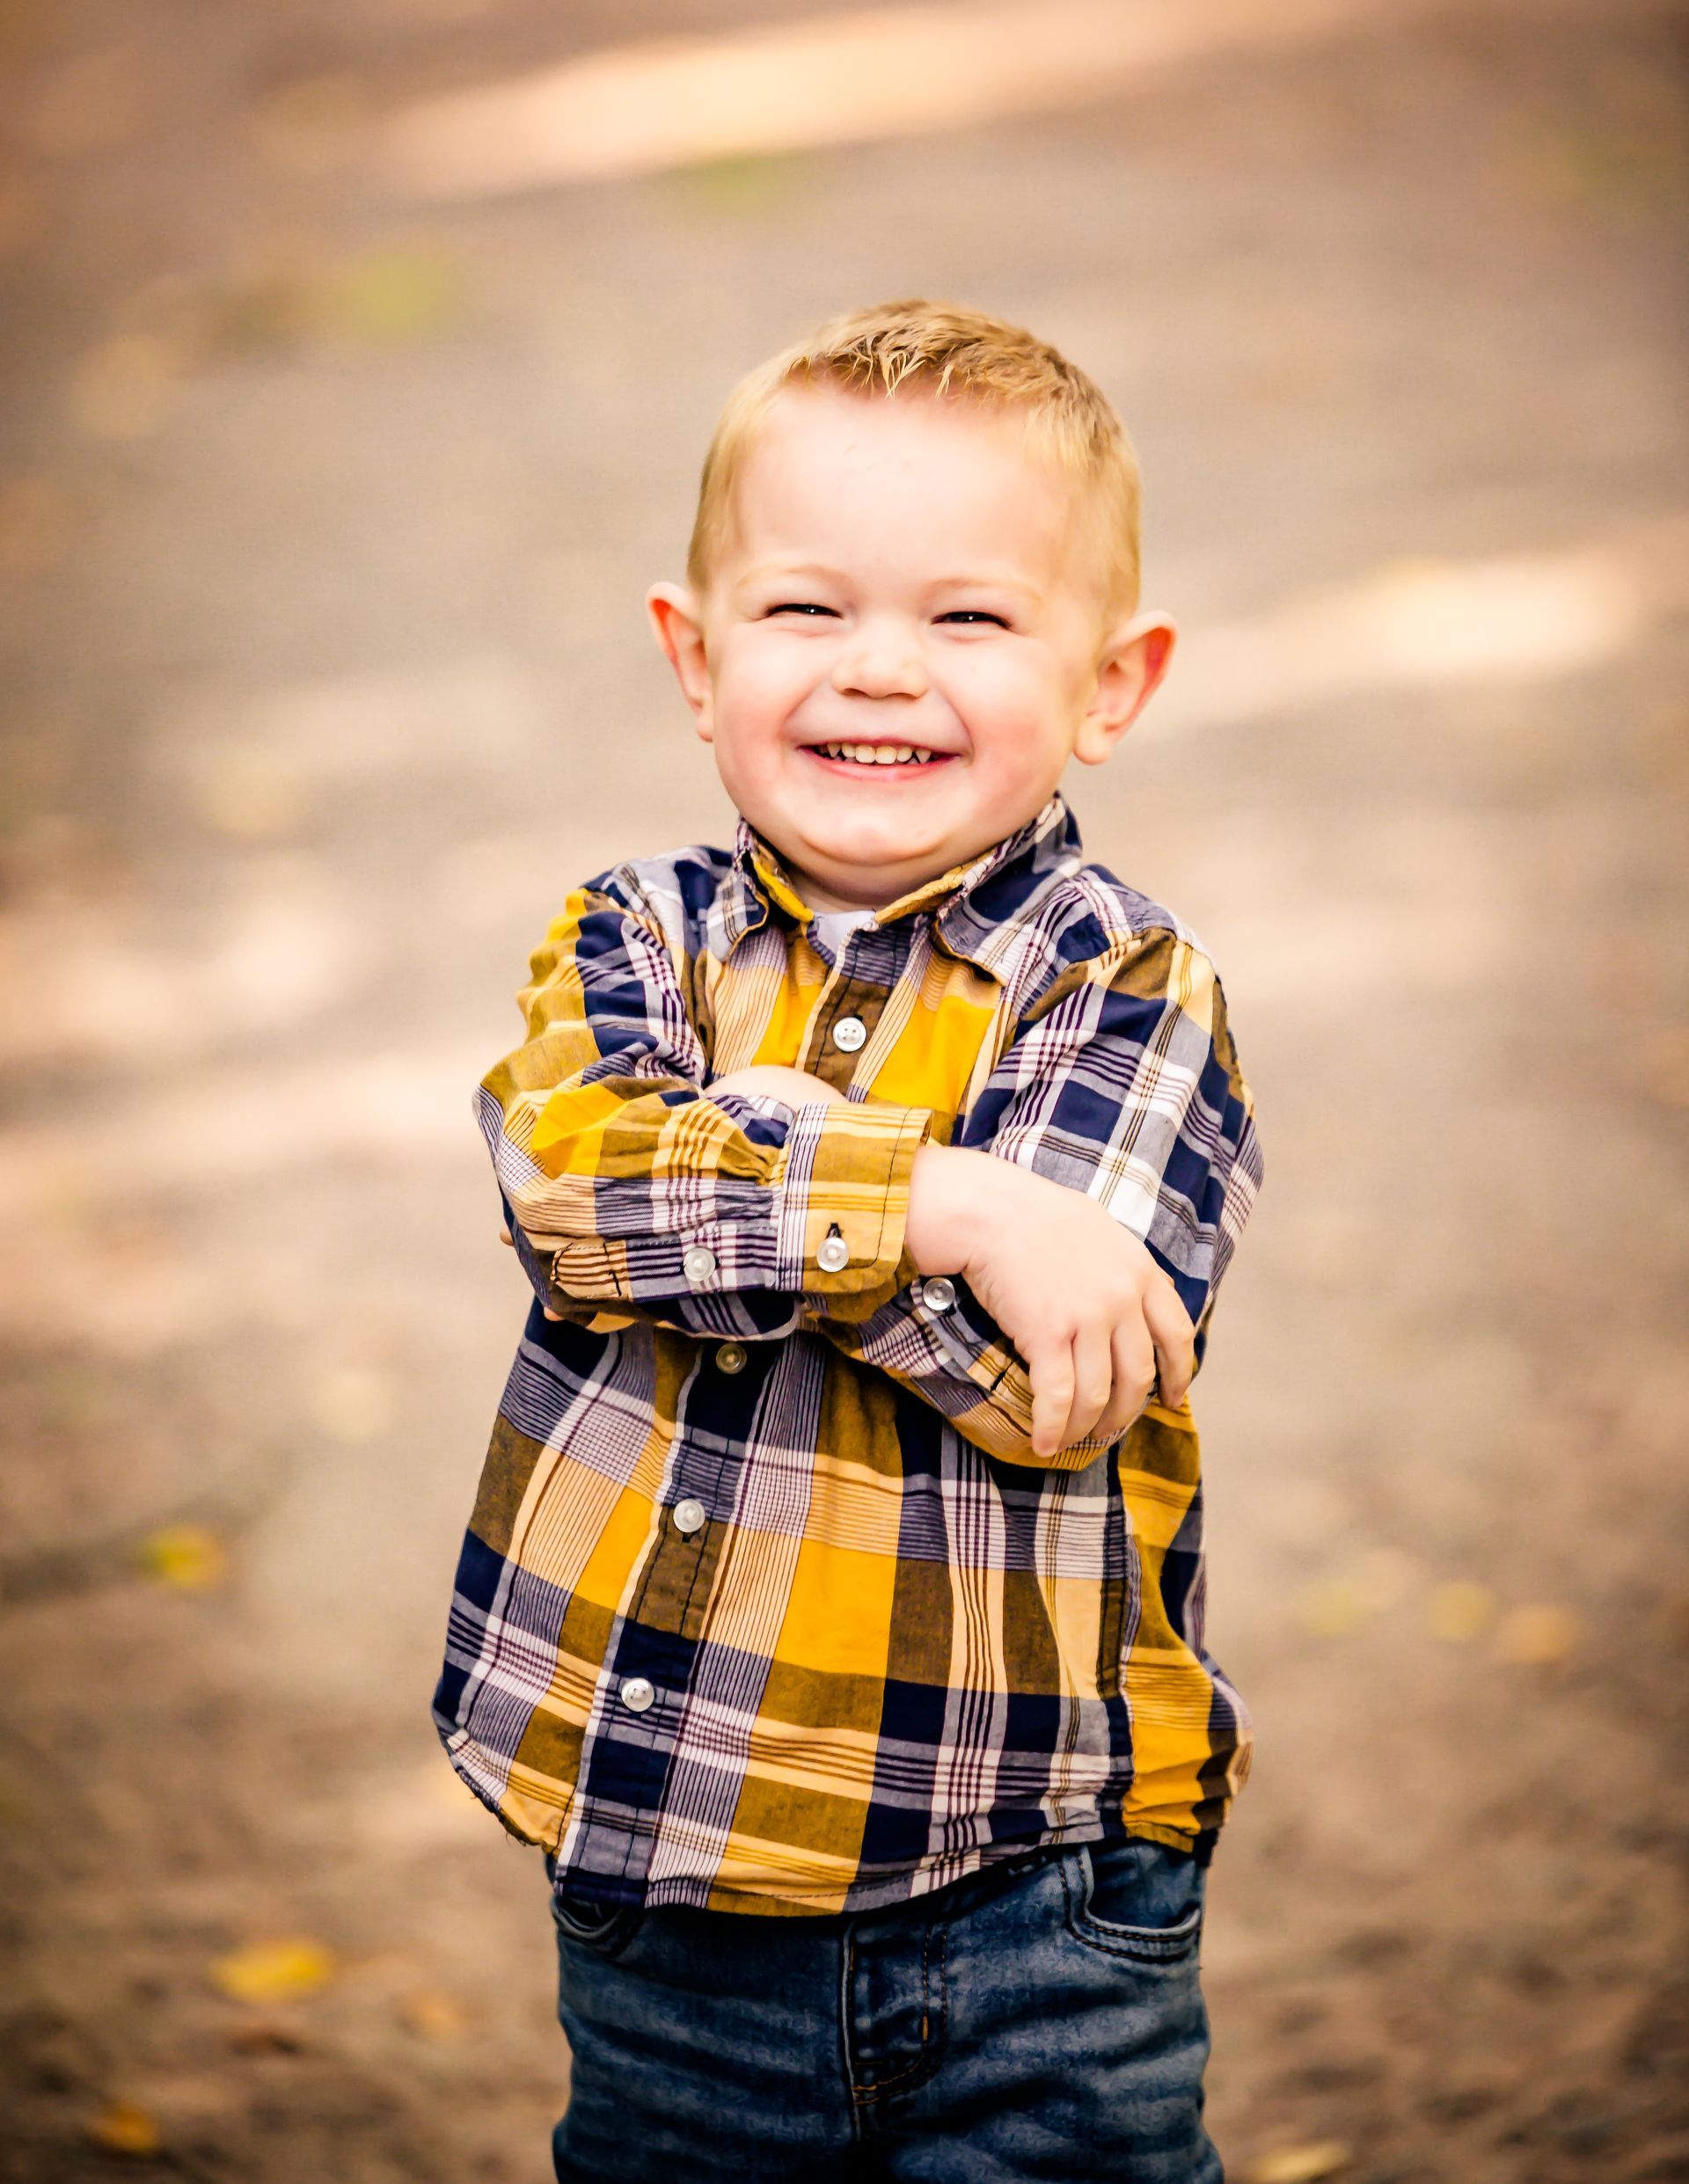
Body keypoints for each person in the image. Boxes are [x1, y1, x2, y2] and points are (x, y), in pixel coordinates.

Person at [433, 298, 1265, 2182]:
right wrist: (946, 1198)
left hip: (1030, 1908)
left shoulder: (1129, 988)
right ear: (694, 652)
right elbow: (578, 1196)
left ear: (1110, 685)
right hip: (665, 1875)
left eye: (969, 619)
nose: (879, 670)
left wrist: (754, 1160)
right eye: (807, 609)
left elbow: (1050, 1371)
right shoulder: (622, 937)